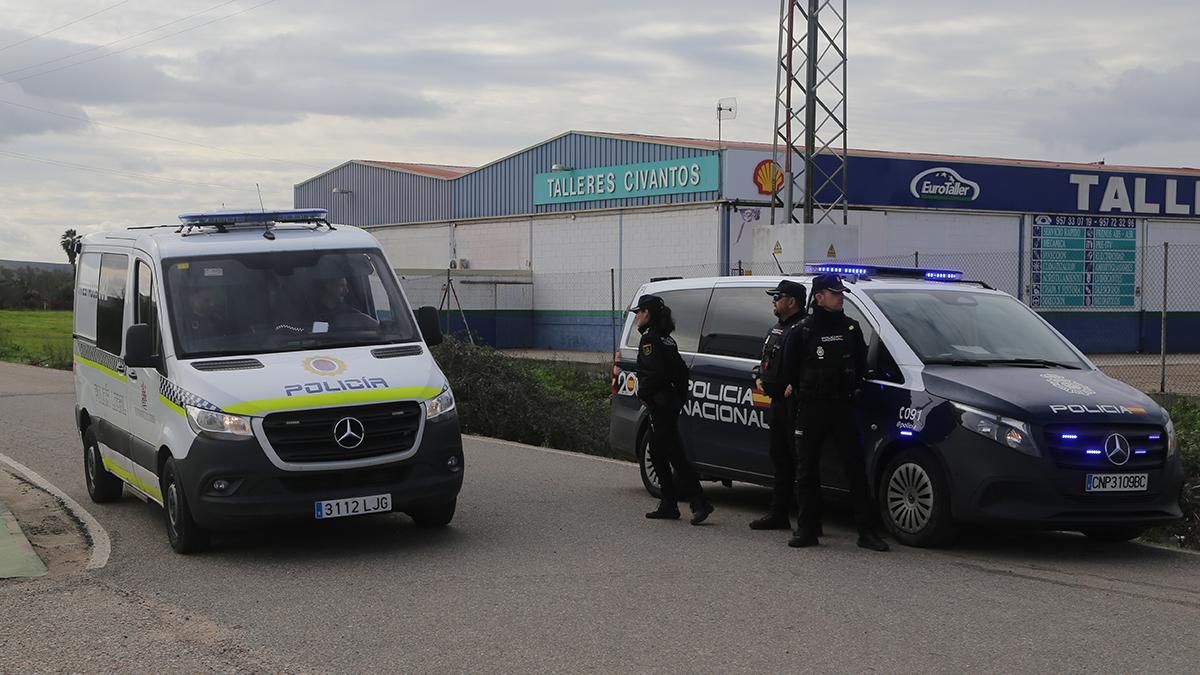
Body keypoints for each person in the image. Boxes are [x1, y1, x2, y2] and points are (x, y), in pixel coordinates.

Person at [788, 273, 890, 552]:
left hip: (842, 407)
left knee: (855, 469)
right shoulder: (802, 331)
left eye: (841, 293)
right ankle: (807, 529)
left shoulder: (851, 329)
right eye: (835, 293)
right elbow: (789, 372)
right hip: (811, 408)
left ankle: (867, 532)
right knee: (806, 470)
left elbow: (861, 367)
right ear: (819, 297)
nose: (840, 297)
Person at [631, 293, 714, 525]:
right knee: (659, 453)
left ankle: (699, 502)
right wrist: (678, 397)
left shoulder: (650, 339)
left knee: (674, 454)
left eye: (639, 312)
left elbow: (653, 373)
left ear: (647, 313)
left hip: (659, 404)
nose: (637, 316)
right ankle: (669, 503)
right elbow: (681, 372)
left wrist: (644, 395)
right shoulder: (668, 339)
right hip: (669, 403)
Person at [748, 279, 807, 531]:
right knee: (780, 459)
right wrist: (759, 377)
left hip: (797, 407)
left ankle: (807, 520)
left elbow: (808, 367)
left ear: (791, 301)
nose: (773, 300)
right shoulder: (777, 328)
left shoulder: (803, 329)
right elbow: (764, 361)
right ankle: (778, 513)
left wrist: (796, 384)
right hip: (777, 405)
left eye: (777, 297)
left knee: (800, 463)